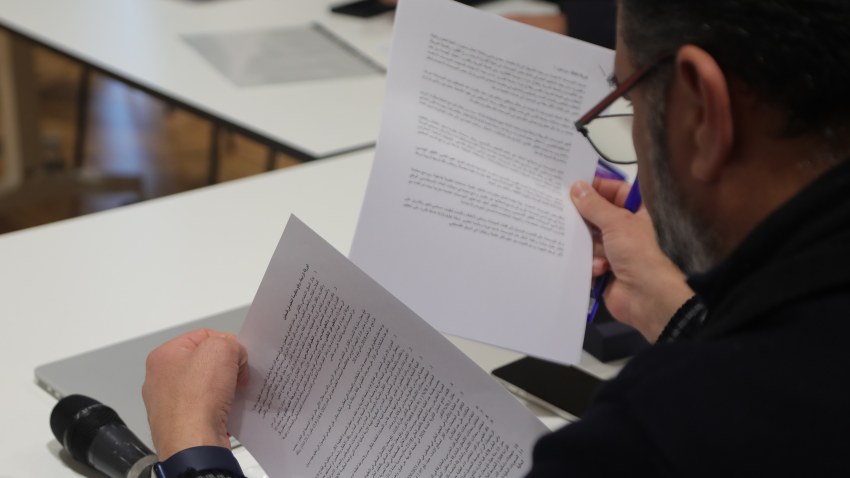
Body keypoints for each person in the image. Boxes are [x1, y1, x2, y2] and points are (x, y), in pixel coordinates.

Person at [143, 0, 850, 476]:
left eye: (628, 99)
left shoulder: (665, 432)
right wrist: (684, 317)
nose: (631, 133)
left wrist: (192, 449)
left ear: (701, 110)